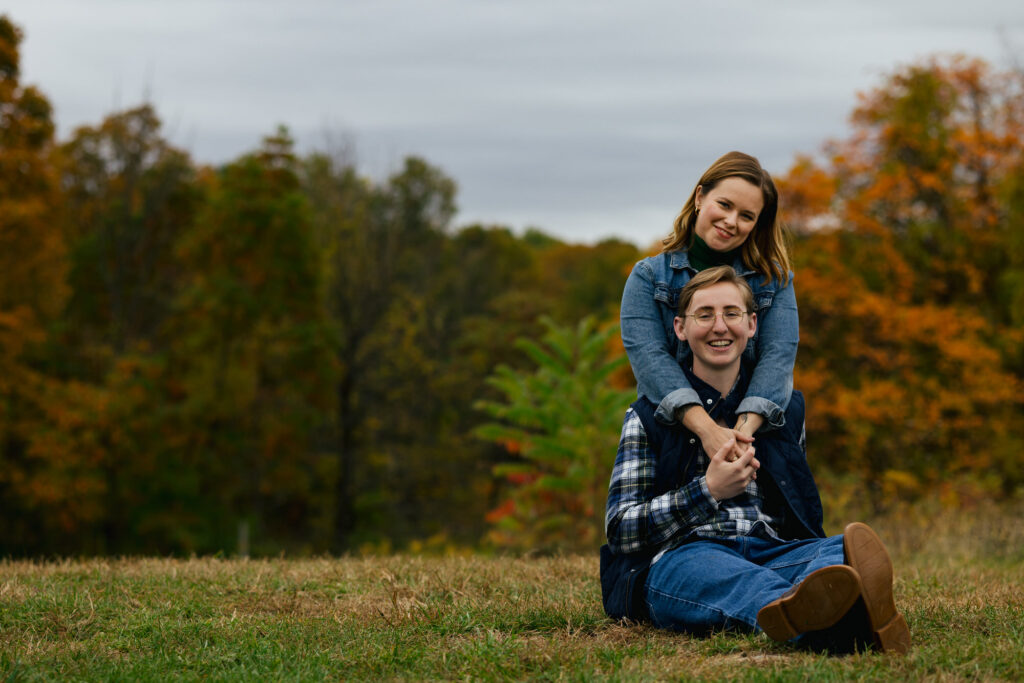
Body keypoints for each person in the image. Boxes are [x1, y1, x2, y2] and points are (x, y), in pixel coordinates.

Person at [600, 267, 911, 653]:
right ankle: (832, 617)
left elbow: (796, 506)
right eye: (705, 315)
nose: (719, 326)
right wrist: (707, 491)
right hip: (687, 556)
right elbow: (620, 529)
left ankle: (823, 609)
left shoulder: (783, 413)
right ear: (680, 327)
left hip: (771, 551)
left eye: (731, 313)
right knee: (706, 572)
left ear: (751, 324)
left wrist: (814, 552)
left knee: (839, 551)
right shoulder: (649, 416)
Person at [620, 151, 796, 465]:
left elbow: (778, 358)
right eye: (725, 205)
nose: (731, 222)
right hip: (672, 439)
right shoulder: (649, 278)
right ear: (700, 197)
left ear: (756, 224)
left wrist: (739, 434)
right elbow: (650, 360)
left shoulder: (774, 281)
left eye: (746, 215)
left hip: (754, 441)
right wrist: (707, 430)